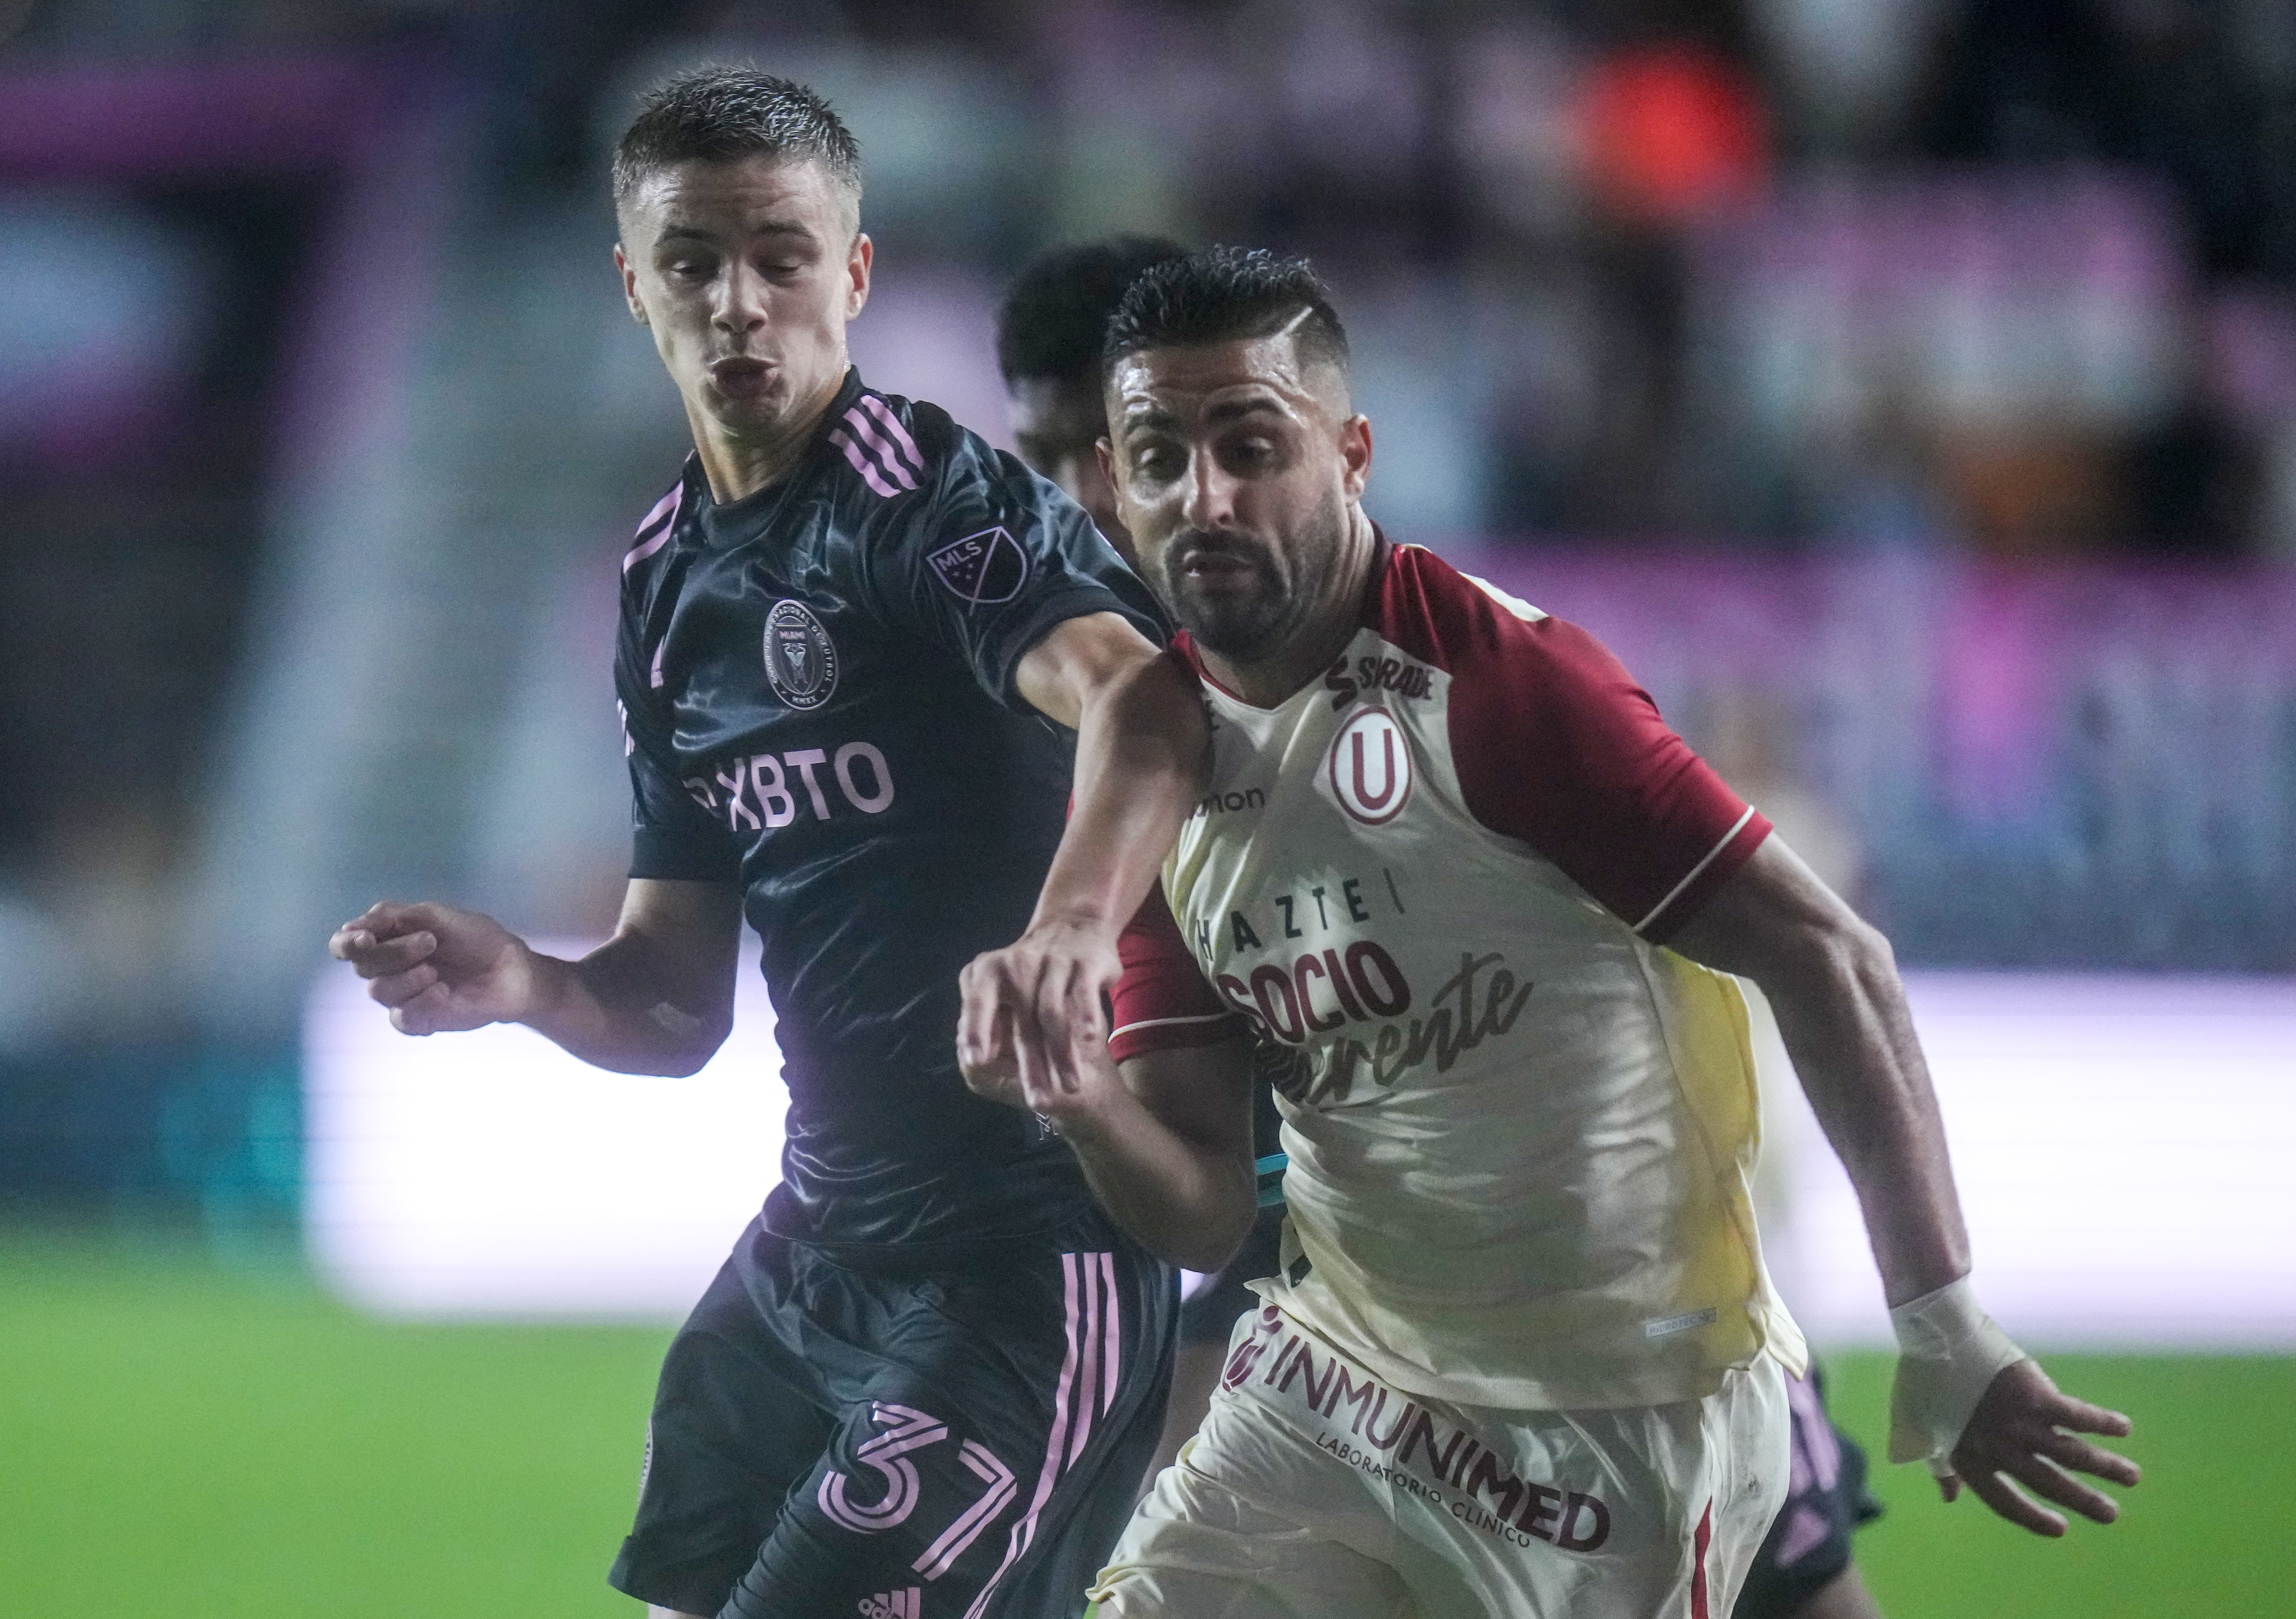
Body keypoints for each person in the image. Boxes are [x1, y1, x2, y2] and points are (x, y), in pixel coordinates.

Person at [958, 248, 2139, 1619]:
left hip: (1619, 1396)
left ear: (1352, 454)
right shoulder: (1159, 761)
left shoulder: (1507, 690)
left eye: (1251, 445)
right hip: (1339, 1376)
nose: (1205, 496)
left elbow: (1832, 957)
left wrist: (1944, 1322)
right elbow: (1208, 1198)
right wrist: (1086, 1098)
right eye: (1161, 457)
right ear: (1113, 481)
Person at [329, 70, 1210, 1619]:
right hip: (813, 1254)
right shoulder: (668, 587)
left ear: (852, 276)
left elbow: (1144, 698)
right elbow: (675, 1009)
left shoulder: (924, 501)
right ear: (634, 287)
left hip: (1024, 1266)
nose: (741, 303)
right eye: (694, 263)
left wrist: (1074, 924)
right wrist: (529, 979)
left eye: (783, 256)